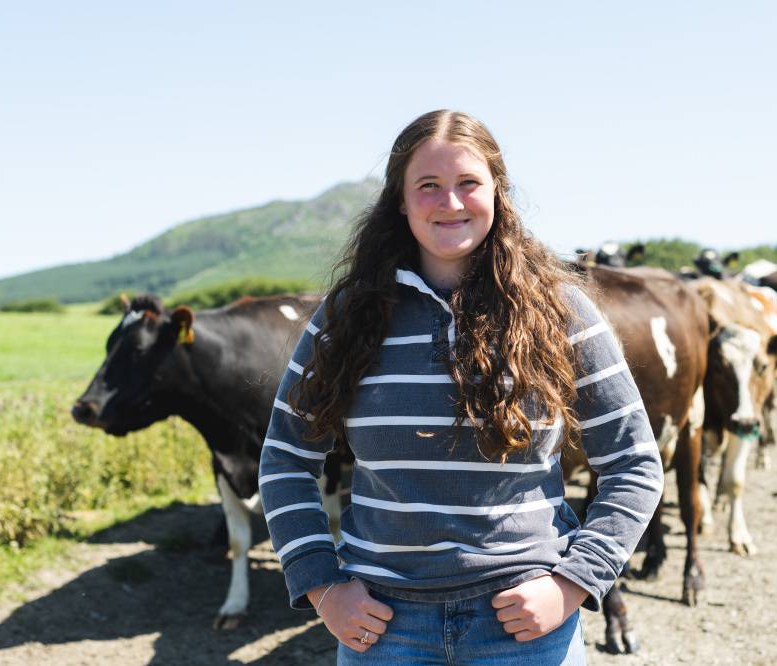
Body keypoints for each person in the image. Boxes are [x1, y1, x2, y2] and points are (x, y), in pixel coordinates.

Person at [258, 110, 663, 665]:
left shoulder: (560, 311)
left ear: (498, 190)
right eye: (428, 186)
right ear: (400, 201)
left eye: (468, 183)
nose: (450, 202)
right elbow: (284, 458)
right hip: (382, 632)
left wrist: (572, 583)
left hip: (523, 630)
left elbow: (634, 461)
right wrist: (322, 586)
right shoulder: (346, 317)